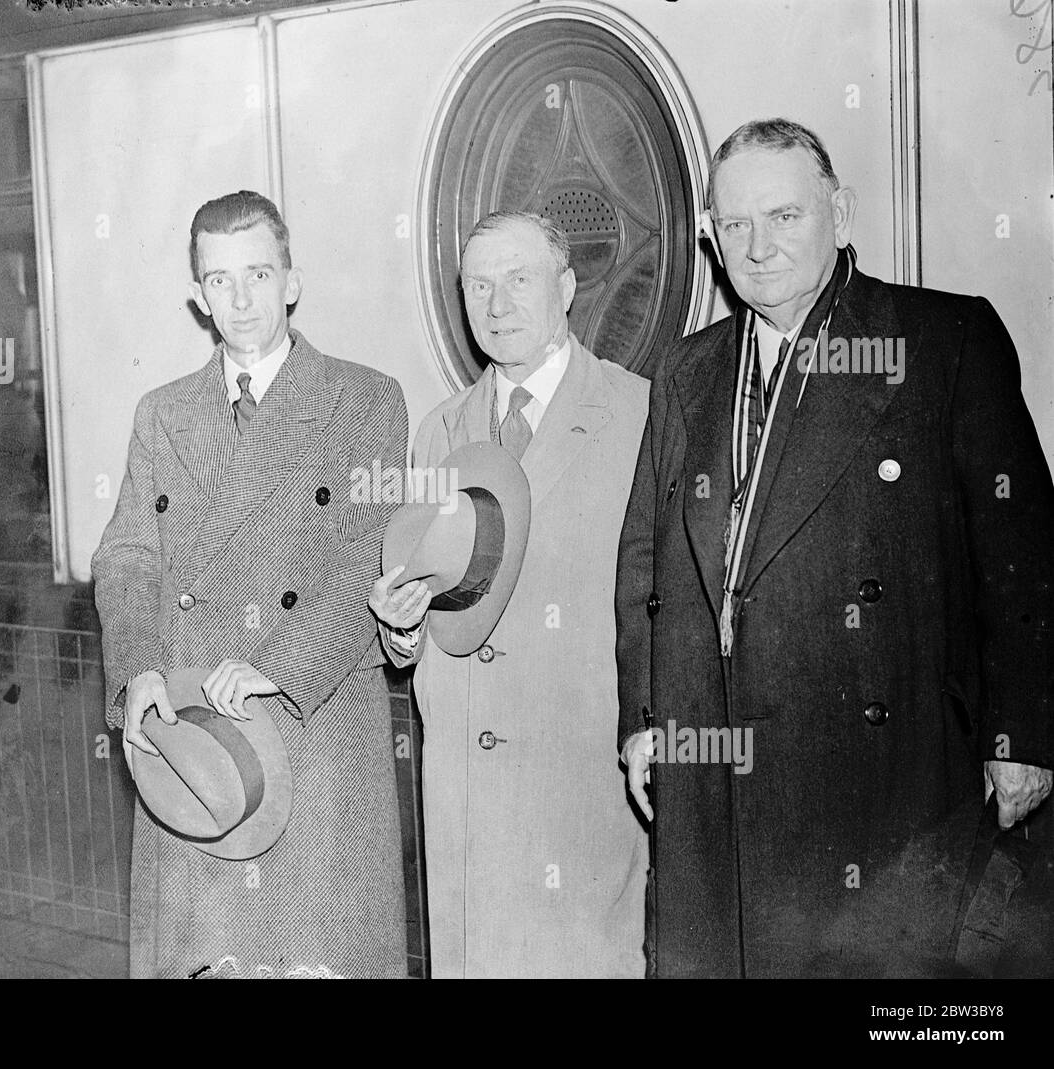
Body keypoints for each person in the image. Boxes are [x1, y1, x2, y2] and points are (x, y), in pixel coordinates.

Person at [617, 118, 1054, 977]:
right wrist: (644, 724)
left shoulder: (941, 341)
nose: (758, 246)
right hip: (715, 768)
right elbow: (646, 563)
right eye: (733, 226)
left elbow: (1024, 553)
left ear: (841, 214)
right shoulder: (689, 370)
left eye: (784, 217)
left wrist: (1023, 733)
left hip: (888, 773)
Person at [93, 190, 409, 978]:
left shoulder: (363, 399)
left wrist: (279, 663)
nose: (241, 300)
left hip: (315, 733)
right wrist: (136, 672)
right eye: (220, 279)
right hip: (198, 743)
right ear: (198, 295)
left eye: (259, 274)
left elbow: (374, 550)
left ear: (293, 281)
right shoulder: (163, 413)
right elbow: (126, 556)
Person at [371, 210, 650, 977]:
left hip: (580, 782)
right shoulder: (439, 431)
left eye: (519, 279)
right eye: (479, 286)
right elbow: (429, 604)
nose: (497, 306)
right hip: (467, 790)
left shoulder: (640, 413)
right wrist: (401, 632)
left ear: (565, 287)